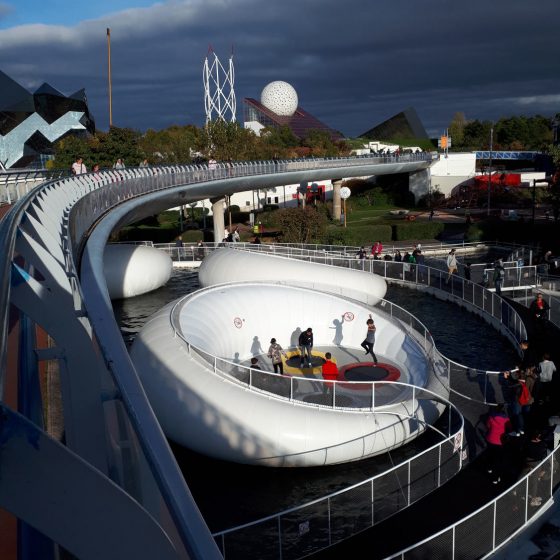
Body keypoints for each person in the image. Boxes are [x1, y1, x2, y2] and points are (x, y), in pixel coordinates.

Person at [485, 403, 510, 484]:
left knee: (490, 455)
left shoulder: (491, 417)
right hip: (500, 442)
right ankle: (495, 478)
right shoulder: (506, 419)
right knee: (498, 460)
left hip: (490, 439)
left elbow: (488, 425)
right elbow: (509, 428)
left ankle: (489, 468)